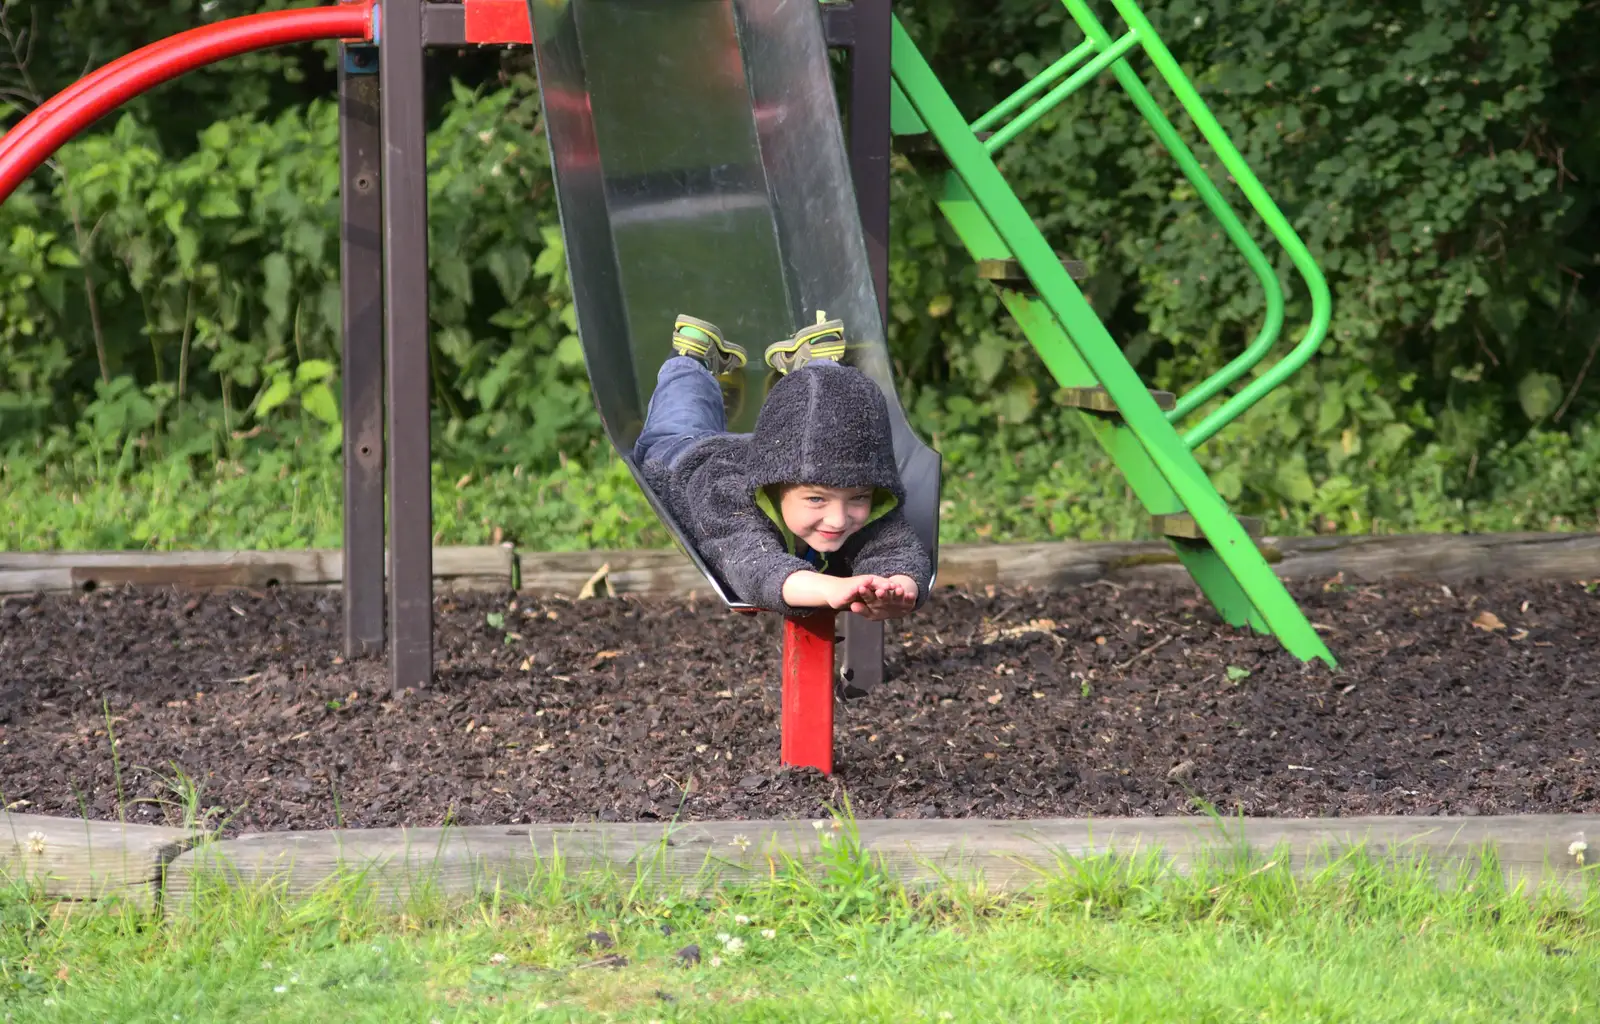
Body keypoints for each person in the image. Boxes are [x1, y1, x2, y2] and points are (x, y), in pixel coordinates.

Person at [633, 312, 932, 621]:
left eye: (858, 497)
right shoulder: (726, 497)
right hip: (691, 454)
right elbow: (755, 568)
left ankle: (816, 362)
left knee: (829, 412)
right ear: (775, 488)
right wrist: (829, 588)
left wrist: (898, 586)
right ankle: (692, 359)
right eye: (816, 499)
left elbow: (897, 548)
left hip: (786, 452)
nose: (838, 519)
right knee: (679, 413)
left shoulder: (860, 484)